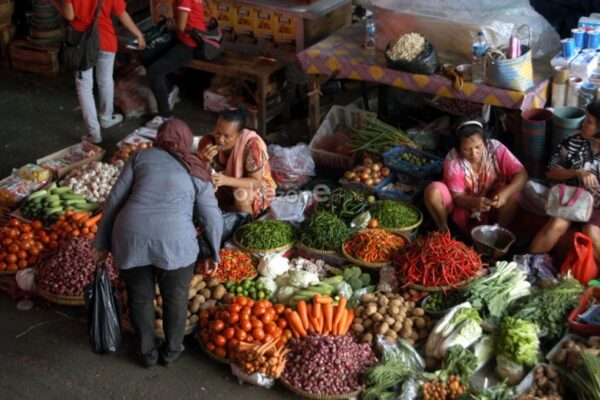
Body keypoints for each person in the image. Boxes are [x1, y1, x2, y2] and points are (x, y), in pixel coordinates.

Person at [93, 119, 223, 368]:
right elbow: (212, 217)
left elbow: (114, 200)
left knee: (139, 298)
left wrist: (101, 243)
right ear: (186, 141)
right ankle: (171, 352)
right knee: (176, 298)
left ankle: (147, 354)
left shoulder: (141, 158)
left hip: (130, 235)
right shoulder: (196, 168)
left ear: (159, 137)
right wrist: (215, 253)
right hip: (176, 242)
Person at [49, 0, 146, 143]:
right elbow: (121, 12)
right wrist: (139, 34)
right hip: (106, 39)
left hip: (82, 43)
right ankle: (106, 118)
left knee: (84, 87)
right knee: (105, 81)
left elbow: (69, 15)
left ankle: (94, 134)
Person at [424, 116, 528, 234]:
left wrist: (504, 194)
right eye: (467, 149)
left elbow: (522, 174)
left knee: (515, 193)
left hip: (492, 202)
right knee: (433, 191)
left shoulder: (495, 148)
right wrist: (475, 202)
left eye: (478, 147)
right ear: (458, 148)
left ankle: (498, 233)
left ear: (485, 141)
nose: (474, 153)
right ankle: (444, 229)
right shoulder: (453, 160)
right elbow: (457, 198)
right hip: (463, 205)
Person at [529, 100, 600, 260]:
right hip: (572, 198)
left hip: (598, 206)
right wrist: (576, 172)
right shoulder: (574, 140)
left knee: (592, 234)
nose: (582, 123)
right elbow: (551, 172)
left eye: (589, 122)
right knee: (556, 225)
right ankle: (527, 266)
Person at [197, 106, 276, 218]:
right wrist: (205, 161)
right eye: (218, 132)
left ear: (239, 135)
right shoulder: (208, 142)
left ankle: (246, 228)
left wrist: (226, 180)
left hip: (255, 189)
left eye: (227, 136)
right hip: (224, 186)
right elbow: (199, 176)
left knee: (241, 196)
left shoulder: (251, 147)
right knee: (202, 191)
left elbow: (256, 182)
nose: (220, 139)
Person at [141, 0, 206, 129]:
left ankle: (165, 116)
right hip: (181, 37)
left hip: (190, 43)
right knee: (146, 56)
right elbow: (183, 20)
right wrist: (168, 17)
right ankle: (170, 89)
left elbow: (181, 26)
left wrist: (168, 26)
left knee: (154, 73)